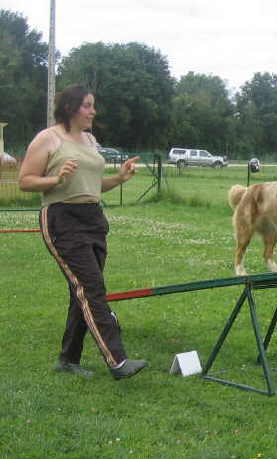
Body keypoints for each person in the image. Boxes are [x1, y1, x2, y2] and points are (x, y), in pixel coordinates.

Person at [18, 85, 148, 380]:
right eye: (88, 106)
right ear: (70, 108)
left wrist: (120, 177)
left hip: (93, 218)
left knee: (83, 291)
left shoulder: (89, 139)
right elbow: (25, 181)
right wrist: (56, 178)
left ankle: (67, 360)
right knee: (91, 289)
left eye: (93, 105)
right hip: (62, 218)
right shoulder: (48, 138)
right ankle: (117, 361)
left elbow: (94, 184)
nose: (93, 111)